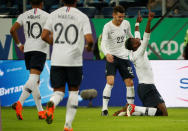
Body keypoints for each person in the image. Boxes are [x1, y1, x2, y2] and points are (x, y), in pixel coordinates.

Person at [41, 0, 94, 130]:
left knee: (58, 92)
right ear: (76, 1)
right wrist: (88, 48)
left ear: (63, 1)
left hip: (57, 60)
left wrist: (57, 44)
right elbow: (90, 40)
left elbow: (43, 36)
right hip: (74, 61)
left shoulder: (53, 14)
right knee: (73, 92)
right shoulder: (82, 16)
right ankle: (68, 125)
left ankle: (52, 103)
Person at [115, 10, 168, 116]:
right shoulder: (140, 51)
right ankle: (132, 108)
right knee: (163, 113)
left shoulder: (134, 51)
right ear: (135, 45)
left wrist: (137, 23)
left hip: (144, 87)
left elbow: (137, 34)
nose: (137, 39)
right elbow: (147, 35)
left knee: (156, 112)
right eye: (135, 40)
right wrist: (149, 21)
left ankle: (129, 112)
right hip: (147, 86)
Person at [10, 0, 49, 120]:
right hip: (40, 49)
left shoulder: (24, 15)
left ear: (30, 3)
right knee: (33, 79)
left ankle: (41, 112)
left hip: (28, 50)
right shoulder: (47, 16)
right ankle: (20, 103)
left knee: (34, 81)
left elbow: (12, 30)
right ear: (42, 3)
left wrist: (19, 45)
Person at [101, 5, 138, 116]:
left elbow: (130, 36)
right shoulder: (107, 26)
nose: (121, 19)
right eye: (119, 17)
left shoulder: (126, 24)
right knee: (110, 82)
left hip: (123, 57)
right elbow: (103, 42)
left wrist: (135, 42)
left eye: (122, 17)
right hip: (111, 57)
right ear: (113, 15)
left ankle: (130, 109)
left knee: (130, 83)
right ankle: (104, 109)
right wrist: (106, 53)